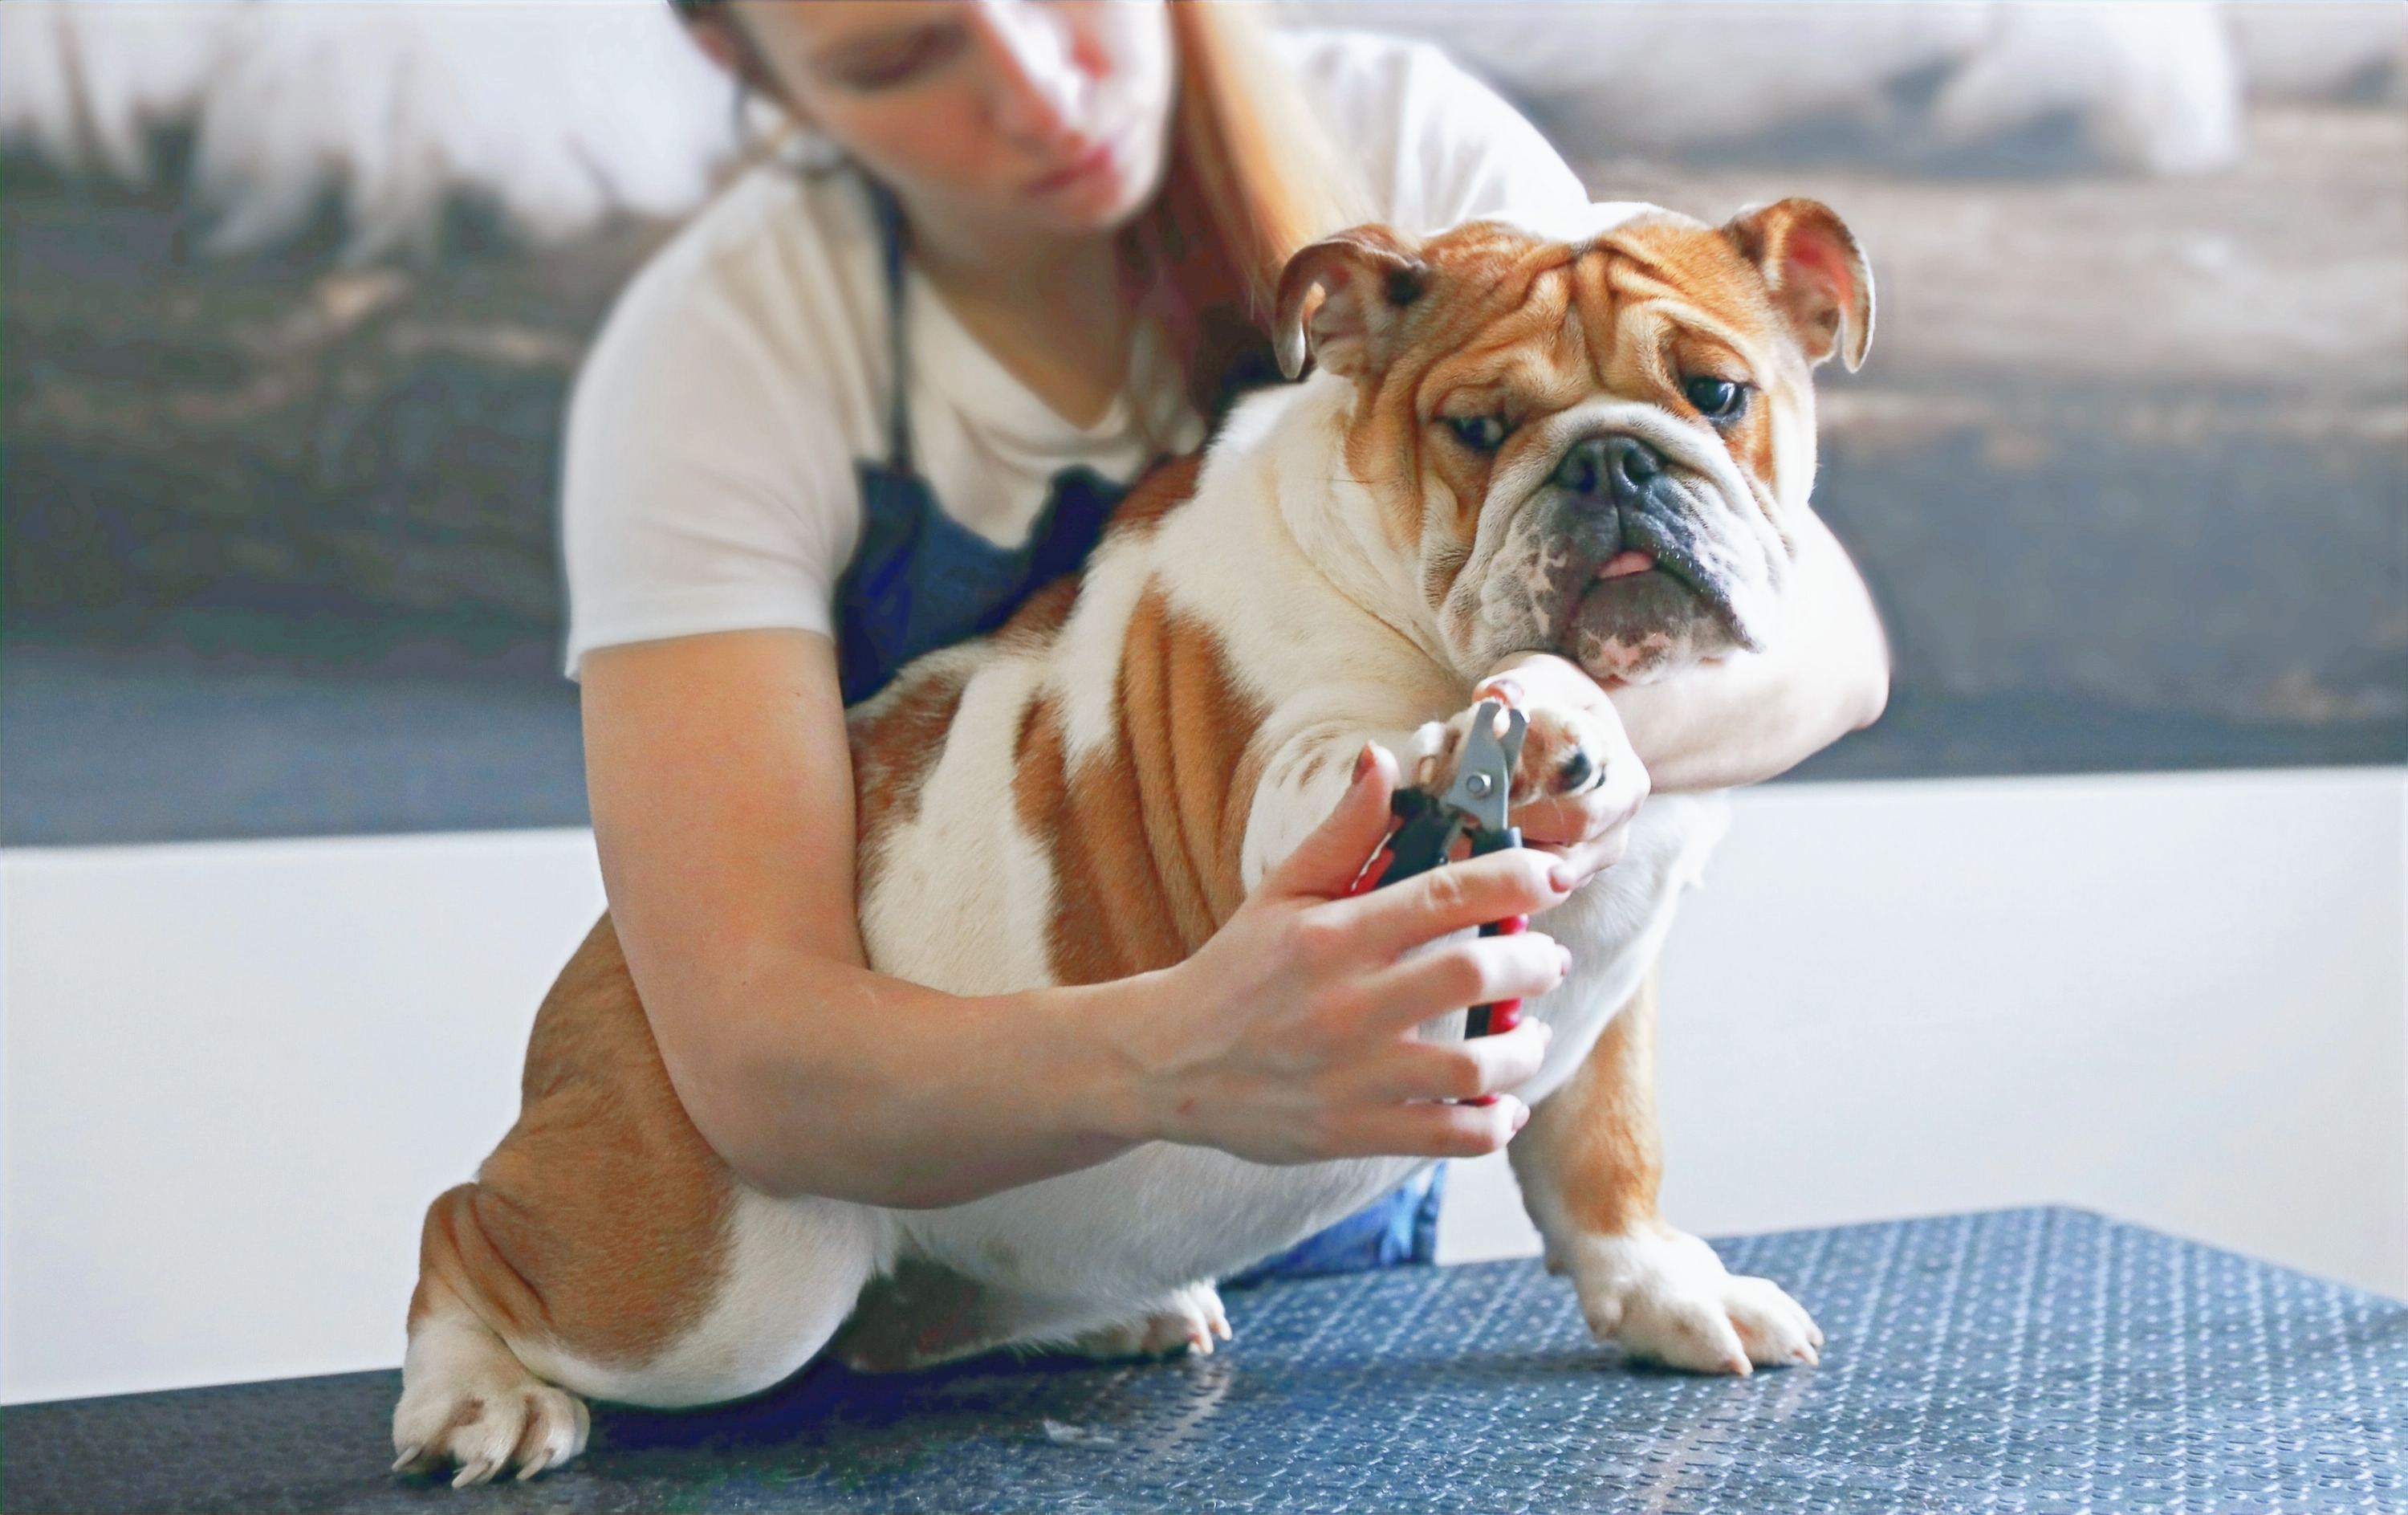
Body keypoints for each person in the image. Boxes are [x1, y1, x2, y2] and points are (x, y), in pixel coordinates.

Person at [564, 1, 1888, 1265]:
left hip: (1326, 1202)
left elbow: (1830, 654)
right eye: (901, 56)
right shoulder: (716, 362)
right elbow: (757, 1065)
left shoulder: (1406, 144)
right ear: (743, 57)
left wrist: (1550, 725)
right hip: (912, 1184)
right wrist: (1174, 1057)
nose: (1035, 88)